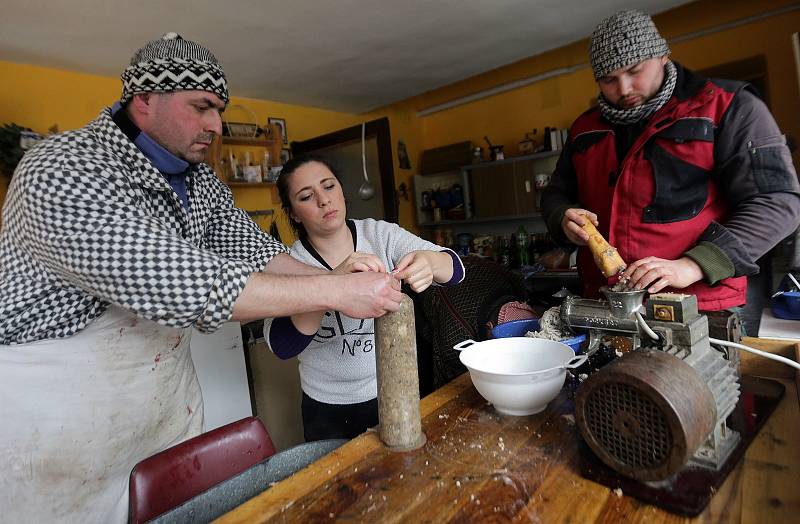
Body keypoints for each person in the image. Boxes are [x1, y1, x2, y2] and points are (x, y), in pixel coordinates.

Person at [0, 33, 402, 522]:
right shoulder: (63, 169)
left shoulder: (198, 182)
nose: (215, 124)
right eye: (202, 106)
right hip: (56, 426)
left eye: (220, 109)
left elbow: (254, 252)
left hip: (161, 411)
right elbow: (181, 284)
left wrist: (338, 275)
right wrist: (336, 289)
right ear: (144, 100)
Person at [541, 10, 800, 313]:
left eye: (634, 71)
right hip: (609, 305)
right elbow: (555, 194)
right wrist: (562, 216)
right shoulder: (585, 128)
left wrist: (694, 264)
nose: (624, 90)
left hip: (702, 305)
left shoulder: (728, 106)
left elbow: (777, 202)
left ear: (662, 56)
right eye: (609, 80)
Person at [264, 155, 464, 441]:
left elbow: (456, 268)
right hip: (327, 409)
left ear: (342, 191)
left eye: (329, 186)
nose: (323, 200)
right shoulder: (290, 263)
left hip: (395, 391)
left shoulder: (380, 235)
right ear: (294, 213)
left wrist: (430, 263)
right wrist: (332, 286)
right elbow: (281, 345)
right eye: (307, 196)